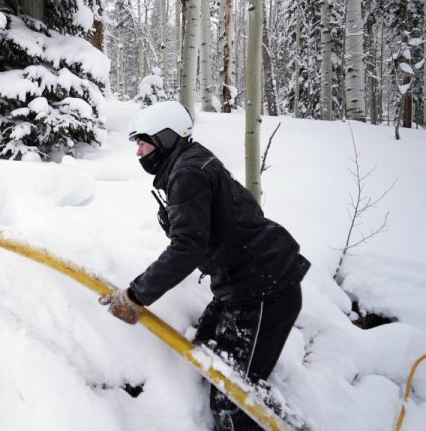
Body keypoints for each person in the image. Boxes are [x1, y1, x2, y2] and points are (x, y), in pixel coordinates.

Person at [99, 100, 310, 431]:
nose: (138, 153)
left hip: (265, 289)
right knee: (208, 354)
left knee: (233, 397)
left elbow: (187, 248)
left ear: (166, 138)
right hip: (241, 286)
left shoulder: (188, 173)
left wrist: (136, 296)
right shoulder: (191, 163)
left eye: (143, 142)